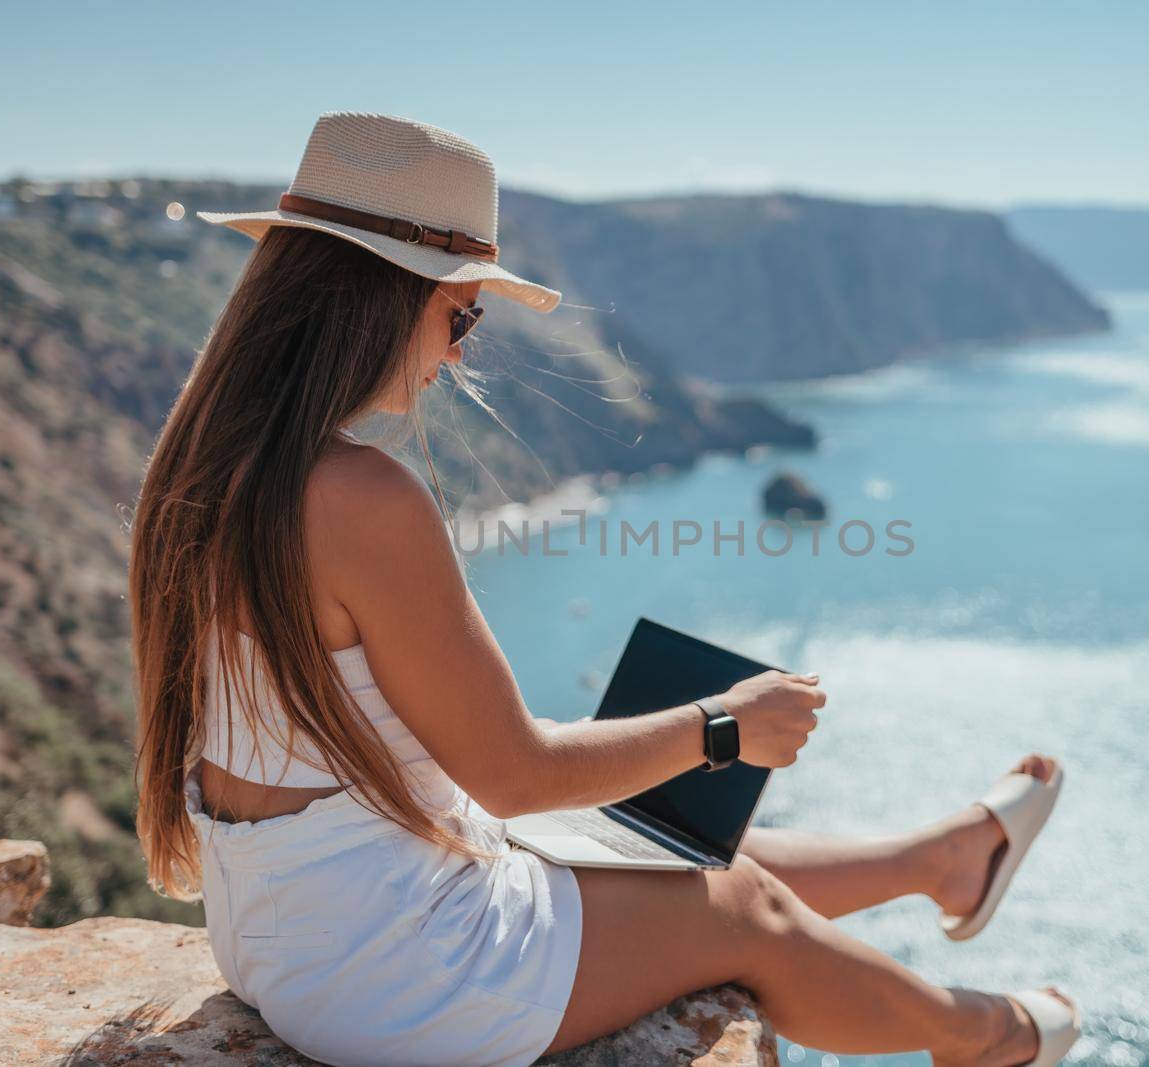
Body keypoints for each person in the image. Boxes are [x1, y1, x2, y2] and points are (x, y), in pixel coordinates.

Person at [128, 111, 1081, 1067]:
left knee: (646, 840)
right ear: (383, 299)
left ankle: (946, 860)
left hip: (279, 931)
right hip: (390, 975)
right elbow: (514, 772)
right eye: (462, 314)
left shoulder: (209, 464)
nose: (460, 352)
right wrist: (724, 724)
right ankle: (986, 1036)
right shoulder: (362, 497)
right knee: (739, 904)